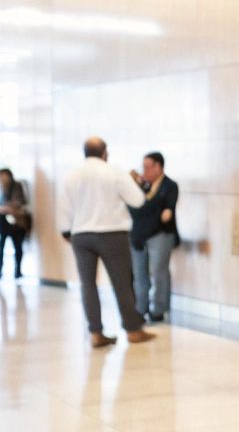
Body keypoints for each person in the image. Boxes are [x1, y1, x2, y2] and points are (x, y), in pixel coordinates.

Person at [58, 137, 155, 348]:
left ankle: (96, 333)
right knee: (122, 283)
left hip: (81, 235)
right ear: (105, 153)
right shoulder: (114, 172)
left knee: (88, 284)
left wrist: (67, 232)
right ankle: (133, 330)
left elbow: (64, 208)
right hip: (112, 234)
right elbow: (138, 200)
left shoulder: (71, 175)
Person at [127, 151, 179, 323]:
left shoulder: (169, 186)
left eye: (147, 167)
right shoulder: (139, 187)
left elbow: (167, 210)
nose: (144, 171)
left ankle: (158, 309)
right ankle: (140, 308)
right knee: (139, 273)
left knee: (158, 271)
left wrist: (166, 213)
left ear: (158, 167)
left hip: (160, 234)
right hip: (138, 235)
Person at [0, 167, 31, 279]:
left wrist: (8, 208)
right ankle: (0, 270)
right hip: (3, 222)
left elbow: (19, 202)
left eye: (3, 176)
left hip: (16, 223)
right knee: (1, 247)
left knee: (18, 247)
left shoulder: (17, 186)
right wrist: (4, 208)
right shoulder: (0, 189)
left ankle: (18, 271)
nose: (1, 179)